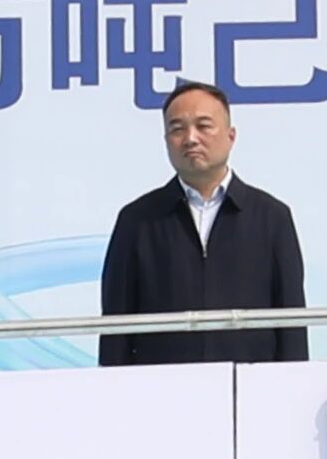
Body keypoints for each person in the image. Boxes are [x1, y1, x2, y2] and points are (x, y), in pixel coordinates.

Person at [97, 78, 308, 363]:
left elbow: (292, 323)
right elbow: (116, 324)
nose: (190, 138)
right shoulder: (138, 220)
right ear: (166, 140)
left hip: (248, 382)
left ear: (231, 136)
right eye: (177, 129)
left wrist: (292, 382)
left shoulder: (271, 217)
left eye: (204, 126)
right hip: (161, 383)